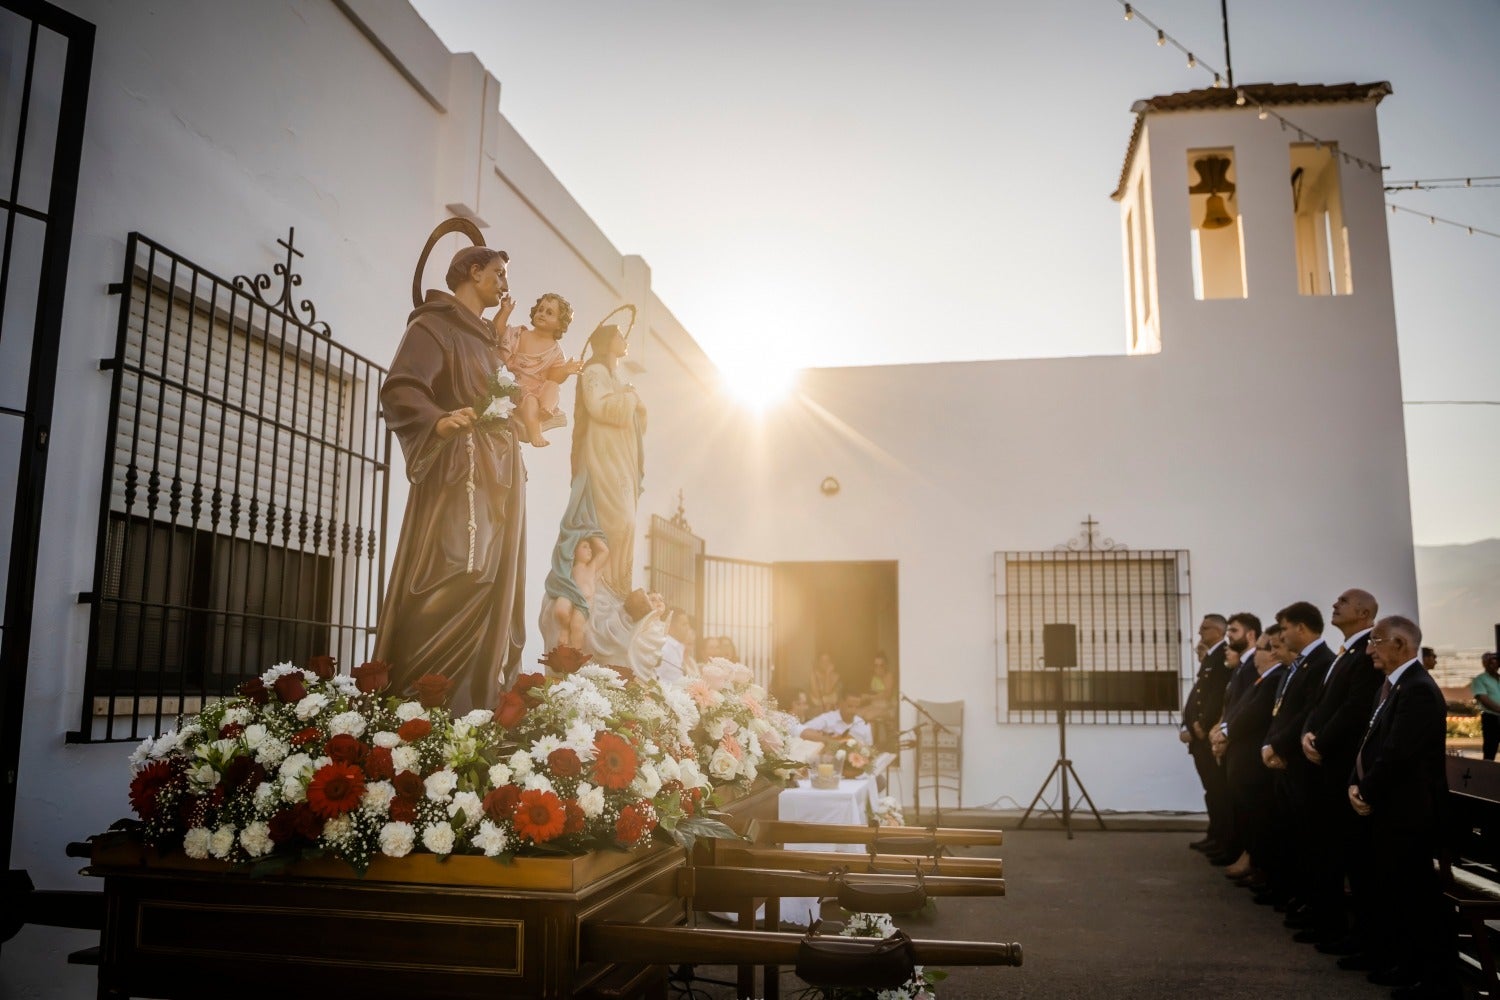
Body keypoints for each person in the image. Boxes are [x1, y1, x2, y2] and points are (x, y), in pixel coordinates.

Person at [374, 245, 527, 711]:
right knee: (457, 570)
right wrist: (438, 420)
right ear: (472, 271)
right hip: (458, 469)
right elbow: (401, 387)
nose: (504, 283)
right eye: (497, 273)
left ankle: (469, 704)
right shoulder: (433, 325)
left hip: (499, 475)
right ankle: (416, 698)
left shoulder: (485, 340)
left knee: (489, 581)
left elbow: (504, 396)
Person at [1348, 615, 1457, 999]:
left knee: (1417, 897)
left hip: (1410, 813)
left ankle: (1436, 981)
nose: (1369, 649)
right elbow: (1371, 742)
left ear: (1400, 644)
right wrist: (1355, 784)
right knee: (1397, 893)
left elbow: (1398, 753)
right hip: (1391, 808)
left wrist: (1367, 791)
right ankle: (1408, 966)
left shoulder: (1418, 690)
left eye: (1376, 641)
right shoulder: (1393, 687)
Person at [540, 320, 647, 652]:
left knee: (628, 522)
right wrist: (629, 400)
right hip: (602, 457)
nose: (623, 339)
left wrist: (635, 405)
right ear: (606, 340)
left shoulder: (618, 378)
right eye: (618, 335)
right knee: (617, 521)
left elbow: (636, 417)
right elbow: (601, 408)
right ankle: (599, 585)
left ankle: (615, 587)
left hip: (623, 459)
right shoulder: (594, 372)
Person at [1296, 588, 1383, 949]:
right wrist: (1307, 734)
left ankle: (1343, 930)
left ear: (1364, 614)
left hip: (1341, 765)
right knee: (1324, 847)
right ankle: (1325, 922)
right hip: (1323, 760)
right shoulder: (1344, 653)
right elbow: (1319, 704)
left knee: (1342, 851)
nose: (1334, 604)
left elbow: (1355, 708)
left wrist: (1320, 741)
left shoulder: (1365, 654)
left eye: (1343, 602)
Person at [1258, 601, 1336, 910]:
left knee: (1308, 840)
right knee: (1290, 835)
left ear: (1301, 628)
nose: (1282, 636)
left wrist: (1278, 746)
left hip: (1301, 763)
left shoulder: (1320, 662)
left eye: (1286, 628)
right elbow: (1280, 714)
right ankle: (1296, 896)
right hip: (1286, 759)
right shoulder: (1302, 663)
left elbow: (1308, 712)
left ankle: (1311, 904)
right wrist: (1272, 744)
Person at [1219, 625, 1286, 889]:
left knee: (1261, 818)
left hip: (1255, 760)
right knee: (1249, 814)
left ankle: (1264, 869)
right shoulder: (1262, 678)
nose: (1255, 654)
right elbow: (1238, 708)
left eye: (1260, 649)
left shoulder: (1274, 677)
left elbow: (1254, 714)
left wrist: (1225, 732)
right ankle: (1256, 864)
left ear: (1271, 654)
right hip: (1243, 757)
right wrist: (1223, 730)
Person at [500, 292, 583, 448]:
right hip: (517, 387)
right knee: (530, 400)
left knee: (553, 387)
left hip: (538, 389)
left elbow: (554, 376)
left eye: (549, 313)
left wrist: (565, 370)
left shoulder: (555, 351)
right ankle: (535, 432)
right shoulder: (521, 334)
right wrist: (504, 312)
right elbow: (499, 334)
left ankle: (546, 409)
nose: (542, 314)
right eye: (541, 310)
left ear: (560, 323)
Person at [1181, 614, 1231, 858]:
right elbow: (1198, 694)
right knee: (1211, 791)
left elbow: (1218, 696)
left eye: (1205, 628)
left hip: (1208, 738)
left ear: (1220, 630)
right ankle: (1215, 834)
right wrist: (1187, 724)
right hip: (1199, 738)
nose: (1200, 631)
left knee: (1218, 791)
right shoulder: (1211, 657)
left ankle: (1224, 840)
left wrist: (1201, 726)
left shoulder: (1222, 657)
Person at [801, 693, 874, 746]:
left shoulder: (864, 724)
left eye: (856, 707)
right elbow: (802, 730)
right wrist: (830, 741)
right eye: (850, 706)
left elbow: (869, 748)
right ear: (840, 704)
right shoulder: (827, 718)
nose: (853, 711)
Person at [1472, 652, 1500, 761]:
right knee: (1490, 750)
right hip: (1491, 719)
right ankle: (1487, 774)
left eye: (1495, 662)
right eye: (1490, 662)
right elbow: (1484, 700)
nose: (1493, 664)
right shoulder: (1480, 679)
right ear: (1484, 664)